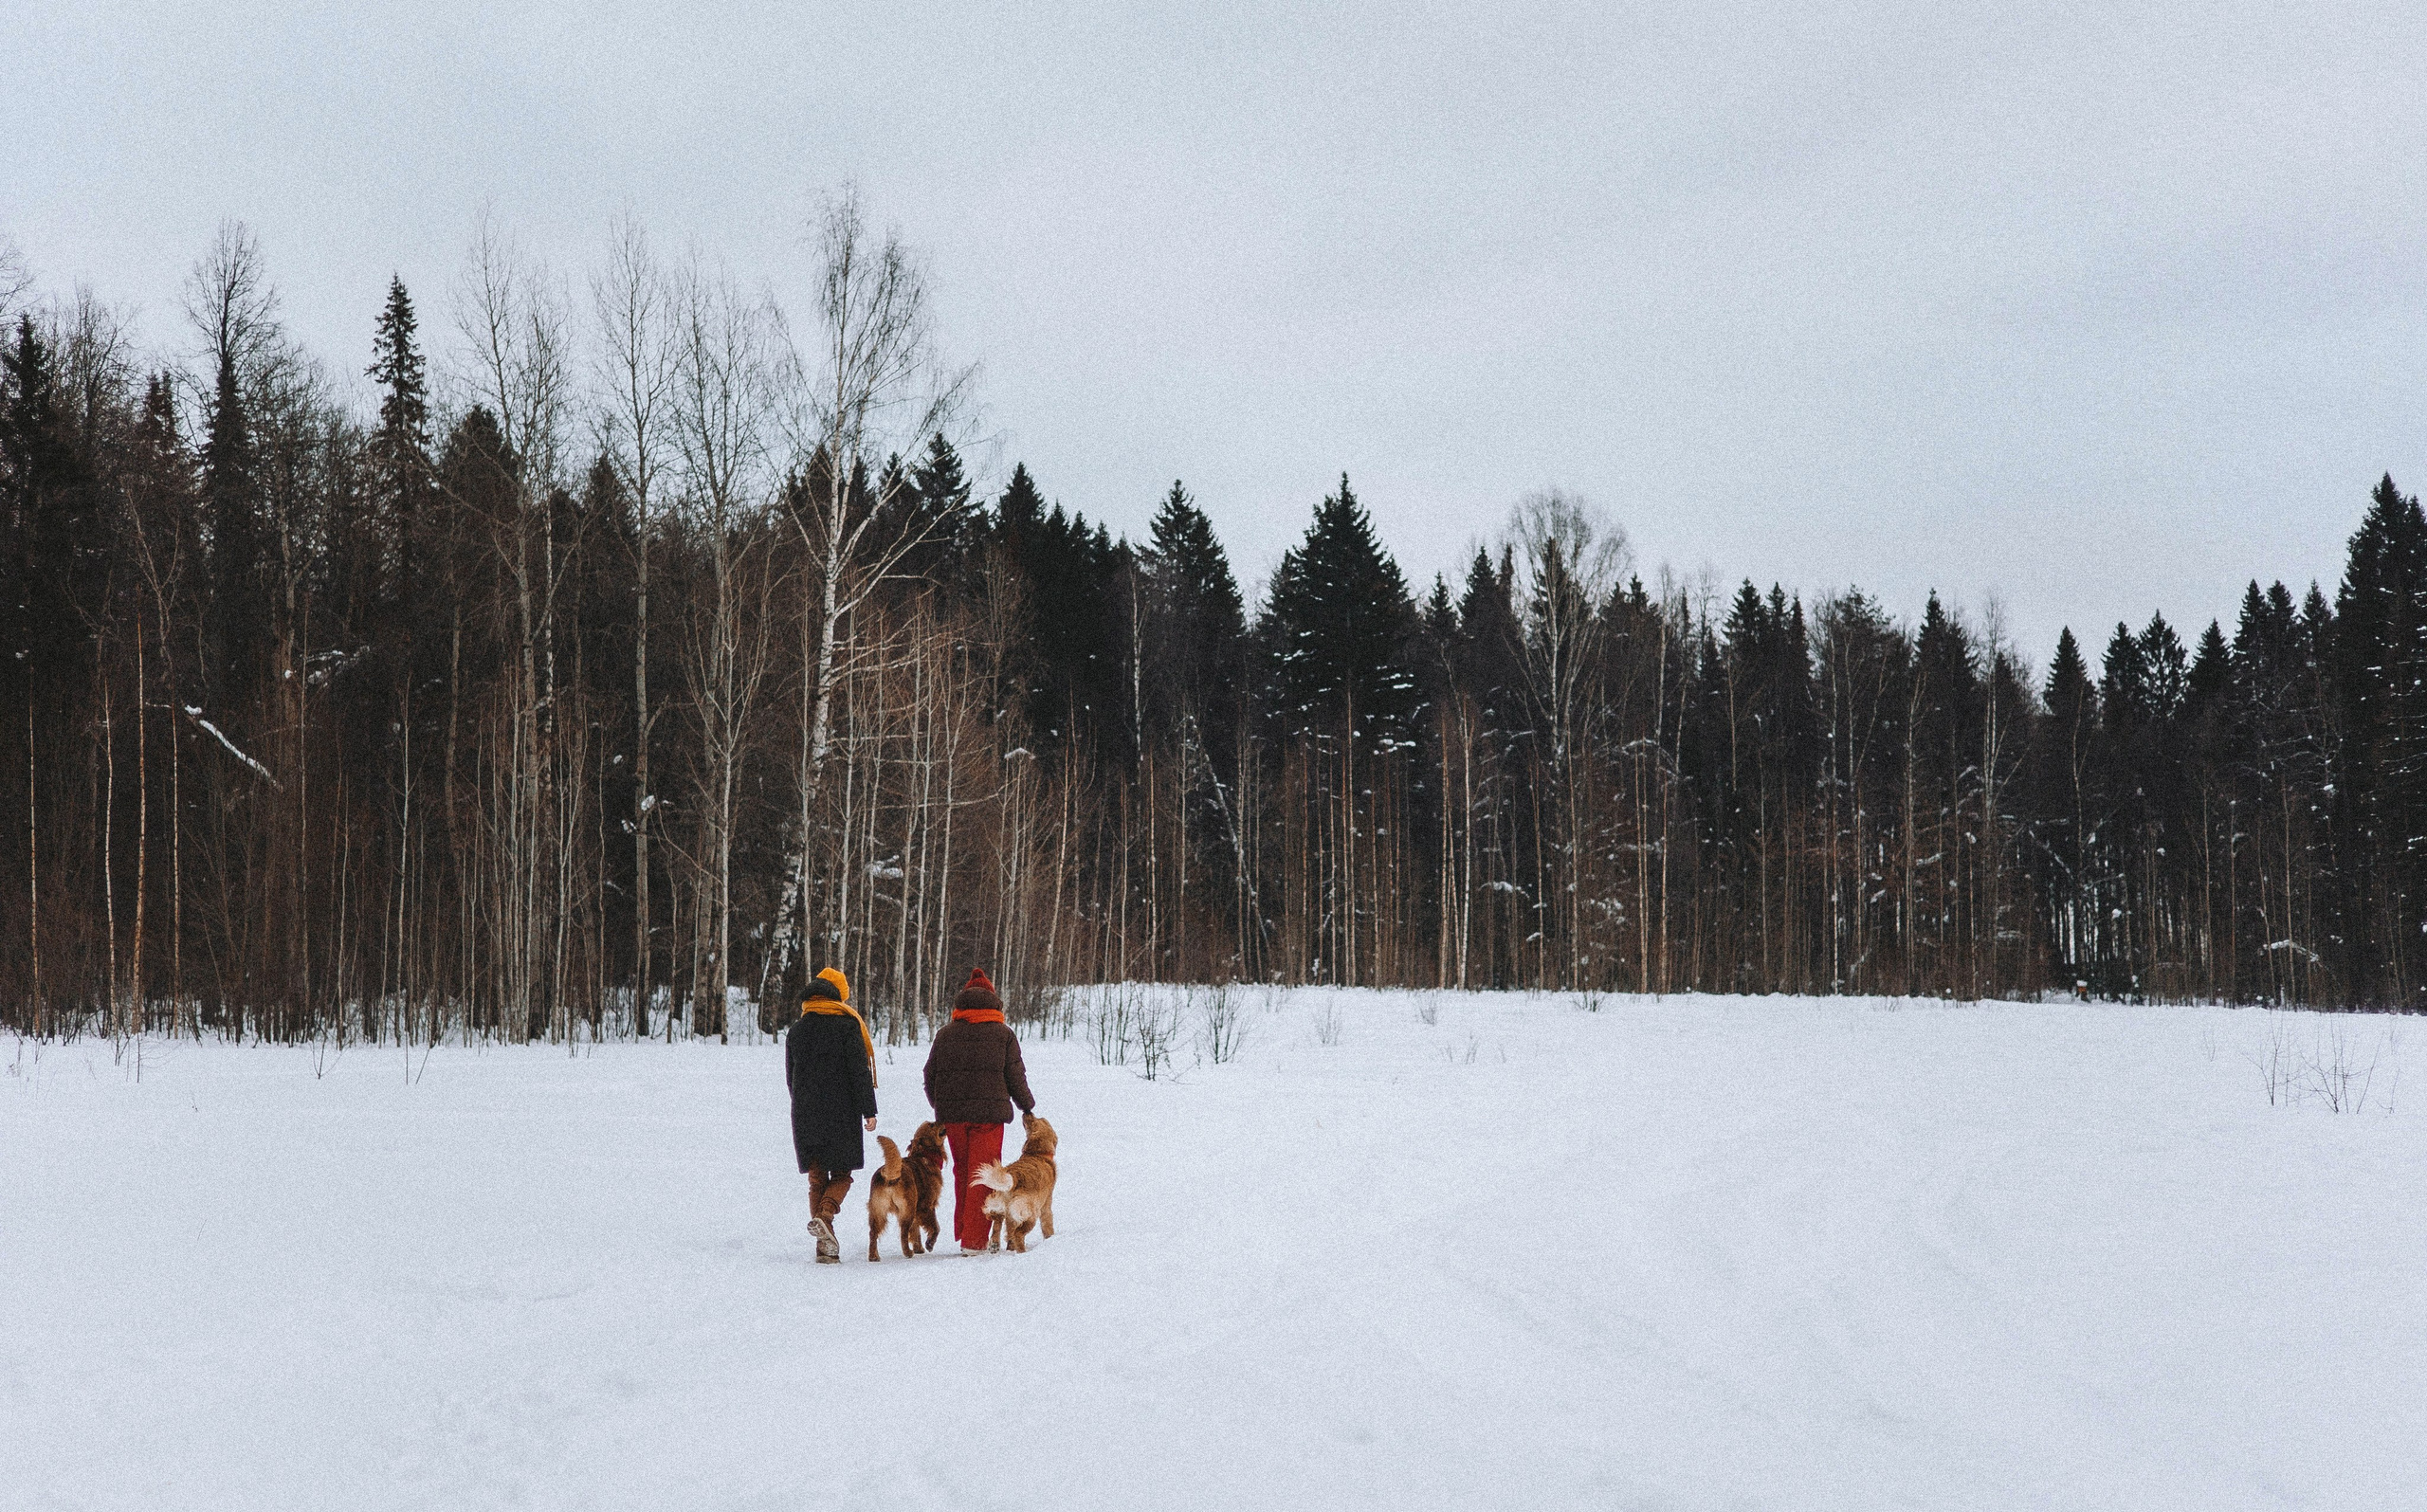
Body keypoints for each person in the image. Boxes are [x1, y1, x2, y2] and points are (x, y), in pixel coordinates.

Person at [923, 968, 1036, 1254]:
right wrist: (1027, 1106)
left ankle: (965, 1231)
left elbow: (930, 1074)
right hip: (989, 1115)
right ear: (993, 1001)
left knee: (963, 1172)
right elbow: (1015, 1076)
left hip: (954, 1116)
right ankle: (973, 1241)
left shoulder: (945, 1034)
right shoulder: (1003, 1034)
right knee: (983, 1175)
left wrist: (939, 1104)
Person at [785, 966, 878, 1265]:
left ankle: (825, 1245)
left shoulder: (797, 1030)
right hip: (841, 1110)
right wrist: (869, 1109)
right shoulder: (848, 1026)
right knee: (841, 1173)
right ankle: (826, 1214)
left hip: (806, 1110)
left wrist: (801, 1103)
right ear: (839, 995)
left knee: (816, 1177)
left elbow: (791, 1077)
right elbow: (858, 1071)